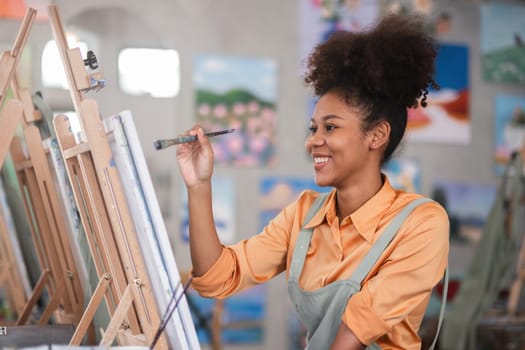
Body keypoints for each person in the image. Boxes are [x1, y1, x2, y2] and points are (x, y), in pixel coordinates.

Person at [176, 13, 449, 350]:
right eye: (313, 128)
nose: (314, 141)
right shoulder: (302, 216)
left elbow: (357, 330)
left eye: (330, 128)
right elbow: (216, 278)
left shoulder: (422, 222)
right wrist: (199, 185)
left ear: (376, 135)